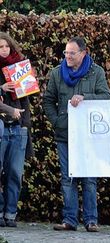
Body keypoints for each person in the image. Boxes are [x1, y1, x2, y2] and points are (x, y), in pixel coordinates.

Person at [43, 36, 110, 232]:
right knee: (67, 178)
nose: (68, 56)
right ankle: (70, 220)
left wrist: (85, 97)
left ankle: (91, 220)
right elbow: (48, 100)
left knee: (89, 177)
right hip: (65, 134)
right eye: (66, 52)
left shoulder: (96, 72)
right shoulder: (57, 74)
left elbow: (106, 97)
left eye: (72, 53)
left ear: (83, 53)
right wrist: (57, 122)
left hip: (89, 135)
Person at [0, 31, 32, 228]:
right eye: (0, 47)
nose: (4, 50)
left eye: (6, 46)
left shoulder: (19, 66)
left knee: (14, 172)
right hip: (1, 126)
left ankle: (10, 213)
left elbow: (29, 99)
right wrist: (1, 88)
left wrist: (27, 83)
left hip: (18, 127)